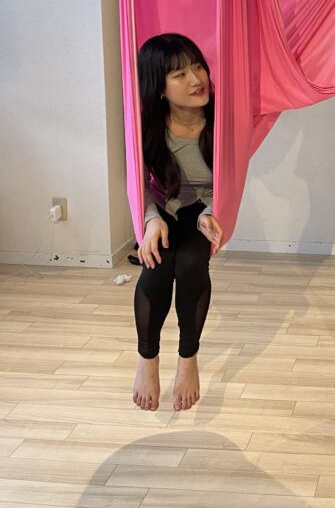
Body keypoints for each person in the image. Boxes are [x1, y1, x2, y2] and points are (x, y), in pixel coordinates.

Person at [131, 33, 224, 413]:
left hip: (207, 212)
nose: (195, 79)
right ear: (159, 88)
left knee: (189, 262)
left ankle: (188, 359)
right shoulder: (147, 125)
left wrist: (210, 212)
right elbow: (136, 181)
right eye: (179, 74)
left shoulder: (223, 118)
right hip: (165, 209)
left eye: (197, 66)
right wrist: (151, 220)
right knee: (157, 263)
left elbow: (232, 177)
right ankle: (147, 360)